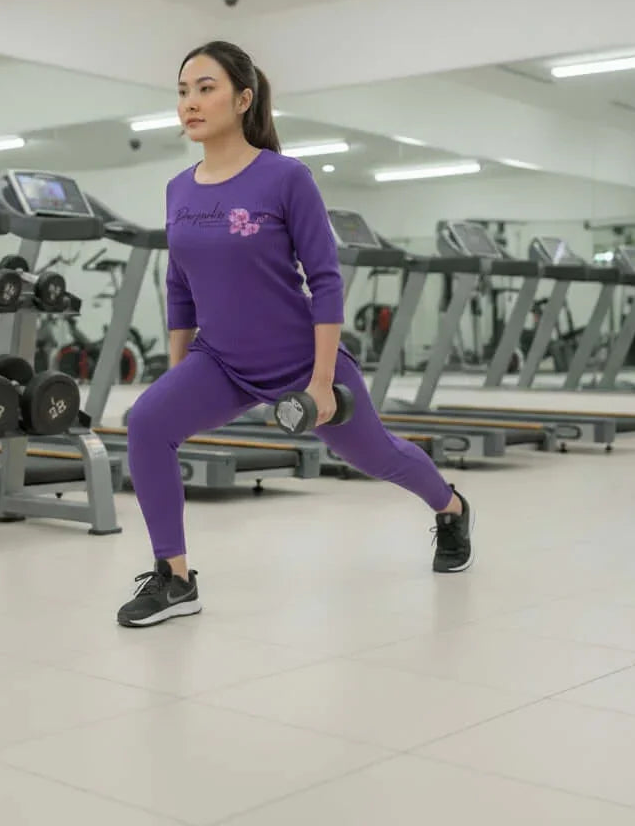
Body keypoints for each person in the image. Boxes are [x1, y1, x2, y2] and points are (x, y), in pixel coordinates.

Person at [117, 41, 474, 628]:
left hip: (298, 362)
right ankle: (175, 578)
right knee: (147, 424)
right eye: (183, 91)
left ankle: (452, 507)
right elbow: (179, 287)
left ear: (243, 98)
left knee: (378, 456)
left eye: (206, 88)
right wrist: (178, 371)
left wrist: (323, 380)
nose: (190, 103)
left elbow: (326, 281)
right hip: (220, 362)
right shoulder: (178, 189)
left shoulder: (285, 178)